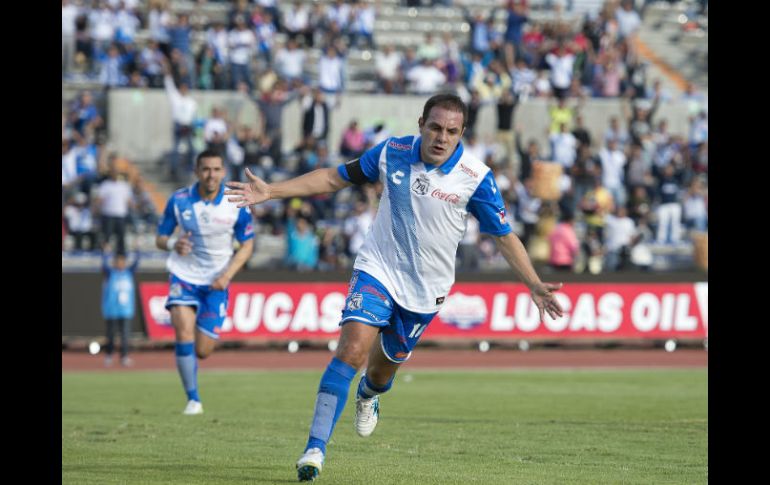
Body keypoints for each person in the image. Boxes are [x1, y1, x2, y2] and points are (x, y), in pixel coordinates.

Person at [224, 94, 563, 482]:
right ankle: (315, 449)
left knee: (381, 373)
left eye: (451, 131)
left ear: (462, 134)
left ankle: (368, 395)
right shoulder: (393, 151)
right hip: (377, 269)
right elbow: (336, 177)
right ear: (421, 123)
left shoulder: (476, 177)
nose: (441, 137)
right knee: (352, 349)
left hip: (425, 290)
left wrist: (533, 283)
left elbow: (502, 235)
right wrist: (273, 191)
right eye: (435, 127)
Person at [155, 150, 255, 415]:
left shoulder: (236, 202)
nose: (211, 175)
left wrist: (227, 275)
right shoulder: (179, 200)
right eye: (206, 169)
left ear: (223, 172)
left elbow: (247, 245)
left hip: (216, 283)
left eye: (216, 169)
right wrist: (173, 243)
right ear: (197, 171)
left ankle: (194, 390)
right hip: (184, 276)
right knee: (183, 332)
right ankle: (193, 399)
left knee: (203, 350)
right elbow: (160, 237)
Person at [101, 248, 140, 367]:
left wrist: (137, 250)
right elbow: (103, 265)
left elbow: (136, 263)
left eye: (122, 261)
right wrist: (106, 254)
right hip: (112, 310)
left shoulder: (128, 273)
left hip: (125, 310)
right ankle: (109, 355)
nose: (120, 264)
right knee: (111, 335)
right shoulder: (110, 273)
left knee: (125, 336)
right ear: (115, 263)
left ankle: (124, 356)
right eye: (118, 261)